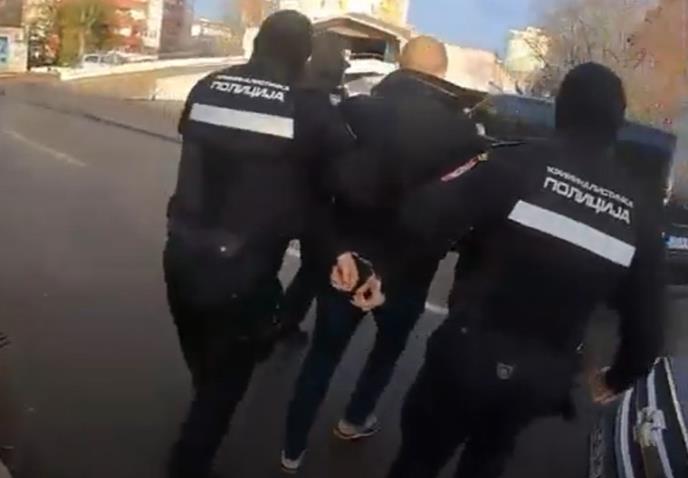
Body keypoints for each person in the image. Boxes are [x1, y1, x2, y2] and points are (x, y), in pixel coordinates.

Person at [382, 63, 665, 478]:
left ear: (560, 109)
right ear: (617, 125)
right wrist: (618, 377)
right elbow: (649, 326)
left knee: (418, 461)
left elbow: (422, 214)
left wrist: (383, 270)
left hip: (464, 357)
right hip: (539, 380)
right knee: (488, 458)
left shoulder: (513, 162)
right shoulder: (640, 214)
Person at [163, 11, 358, 478]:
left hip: (180, 255)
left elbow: (195, 136)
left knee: (204, 360)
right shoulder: (308, 108)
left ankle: (207, 398)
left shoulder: (207, 86)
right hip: (242, 274)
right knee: (222, 389)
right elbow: (340, 178)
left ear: (257, 44)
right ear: (304, 55)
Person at [281, 36, 486, 473]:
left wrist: (336, 249)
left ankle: (292, 448)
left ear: (401, 66)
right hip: (408, 274)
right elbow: (453, 222)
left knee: (322, 355)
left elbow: (318, 189)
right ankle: (355, 418)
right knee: (387, 352)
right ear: (442, 72)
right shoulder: (465, 135)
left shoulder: (356, 110)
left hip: (345, 264)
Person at [278, 31, 351, 340]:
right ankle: (283, 322)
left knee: (268, 259)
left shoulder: (291, 90)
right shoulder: (331, 103)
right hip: (316, 200)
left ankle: (271, 320)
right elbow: (341, 149)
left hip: (280, 191)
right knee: (313, 268)